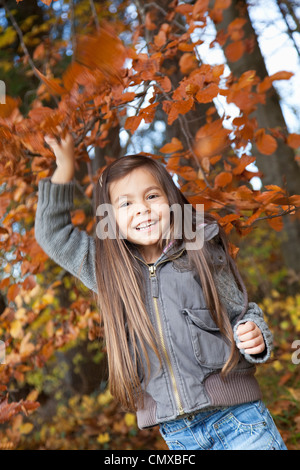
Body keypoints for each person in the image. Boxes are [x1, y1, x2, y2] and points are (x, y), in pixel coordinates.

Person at [35, 131, 287, 450]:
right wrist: (65, 168)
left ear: (170, 199)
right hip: (180, 436)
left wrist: (255, 334)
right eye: (125, 203)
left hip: (239, 419)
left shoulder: (200, 248)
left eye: (152, 196)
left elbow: (241, 312)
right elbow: (51, 232)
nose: (141, 209)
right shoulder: (108, 270)